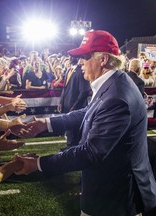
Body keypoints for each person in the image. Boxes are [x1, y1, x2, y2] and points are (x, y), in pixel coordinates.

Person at [15, 30, 156, 216]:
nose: (79, 62)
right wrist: (47, 123)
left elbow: (91, 152)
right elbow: (89, 112)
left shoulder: (117, 96)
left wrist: (39, 164)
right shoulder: (114, 82)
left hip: (114, 197)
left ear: (103, 59)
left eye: (84, 57)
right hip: (110, 188)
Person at [58, 57, 91, 148]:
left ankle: (72, 149)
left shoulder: (81, 71)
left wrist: (75, 106)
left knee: (75, 132)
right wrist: (61, 102)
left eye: (72, 56)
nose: (70, 58)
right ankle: (69, 146)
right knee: (69, 130)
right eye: (69, 56)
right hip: (66, 105)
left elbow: (84, 91)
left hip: (75, 107)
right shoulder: (69, 69)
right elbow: (65, 88)